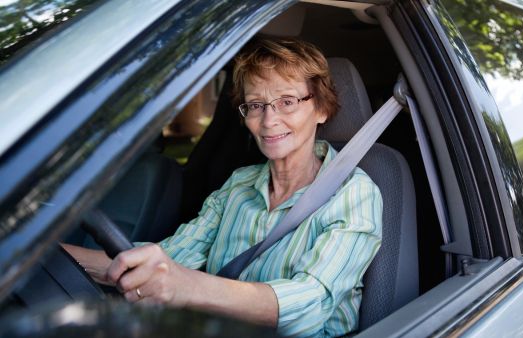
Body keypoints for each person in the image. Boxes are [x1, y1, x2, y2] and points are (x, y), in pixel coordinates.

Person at [64, 38, 383, 338]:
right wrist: (49, 255)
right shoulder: (239, 185)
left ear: (322, 108)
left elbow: (310, 303)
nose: (269, 120)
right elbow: (168, 260)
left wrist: (187, 286)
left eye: (286, 101)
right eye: (255, 105)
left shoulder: (354, 194)